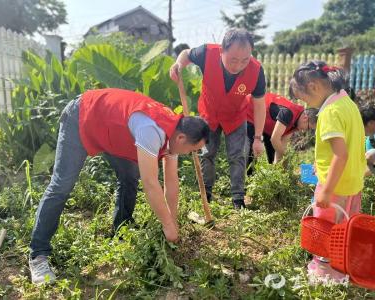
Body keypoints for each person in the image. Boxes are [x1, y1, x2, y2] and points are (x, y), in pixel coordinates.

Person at [28, 88, 210, 284]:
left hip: (112, 128)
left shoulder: (174, 131)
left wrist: (172, 223)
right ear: (182, 139)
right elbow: (151, 183)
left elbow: (171, 181)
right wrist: (166, 224)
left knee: (129, 176)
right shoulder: (152, 130)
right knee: (62, 185)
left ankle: (121, 230)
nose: (190, 153)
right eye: (193, 150)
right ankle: (38, 255)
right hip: (83, 116)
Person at [169, 28, 266, 209]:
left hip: (235, 116)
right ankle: (206, 194)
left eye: (245, 60)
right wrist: (178, 65)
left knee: (238, 156)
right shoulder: (207, 53)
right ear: (222, 50)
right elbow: (185, 54)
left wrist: (258, 137)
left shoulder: (256, 71)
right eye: (233, 60)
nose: (238, 66)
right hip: (209, 114)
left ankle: (238, 198)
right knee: (207, 154)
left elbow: (260, 105)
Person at [289, 61, 366, 284]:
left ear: (313, 86)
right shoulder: (346, 102)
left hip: (335, 185)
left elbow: (339, 155)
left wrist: (326, 190)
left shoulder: (330, 112)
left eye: (303, 98)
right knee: (344, 228)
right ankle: (342, 267)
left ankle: (325, 272)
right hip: (352, 181)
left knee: (326, 230)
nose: (305, 104)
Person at [246, 93, 318, 168]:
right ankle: (247, 177)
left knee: (273, 155)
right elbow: (274, 139)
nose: (305, 131)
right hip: (250, 109)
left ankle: (272, 172)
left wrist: (281, 167)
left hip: (265, 122)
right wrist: (285, 157)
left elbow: (281, 145)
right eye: (309, 128)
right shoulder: (288, 113)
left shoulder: (296, 123)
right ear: (305, 118)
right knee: (252, 151)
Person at [359, 103, 375, 174]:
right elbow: (372, 168)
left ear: (371, 123)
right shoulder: (370, 140)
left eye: (363, 126)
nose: (363, 131)